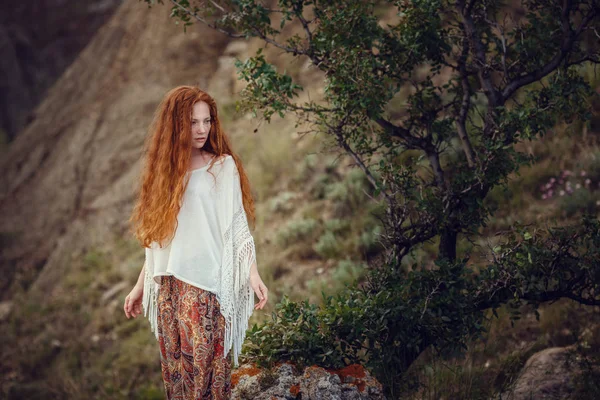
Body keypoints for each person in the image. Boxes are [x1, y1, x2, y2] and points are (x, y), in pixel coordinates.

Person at [123, 85, 269, 399]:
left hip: (205, 291)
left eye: (207, 121)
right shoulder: (164, 175)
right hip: (168, 291)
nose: (202, 129)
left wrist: (253, 273)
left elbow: (237, 227)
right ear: (175, 125)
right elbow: (159, 242)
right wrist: (140, 286)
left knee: (209, 381)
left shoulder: (222, 166)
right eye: (193, 122)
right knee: (177, 380)